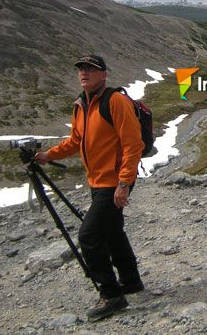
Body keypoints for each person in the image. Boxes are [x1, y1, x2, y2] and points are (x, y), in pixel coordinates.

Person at [34, 54, 144, 322]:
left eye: (91, 69)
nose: (84, 73)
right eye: (81, 69)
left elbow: (133, 144)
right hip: (97, 181)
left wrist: (124, 182)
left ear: (103, 74)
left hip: (113, 182)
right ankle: (130, 281)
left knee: (89, 237)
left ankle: (111, 295)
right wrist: (49, 155)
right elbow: (75, 141)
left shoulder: (115, 101)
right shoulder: (81, 105)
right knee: (112, 232)